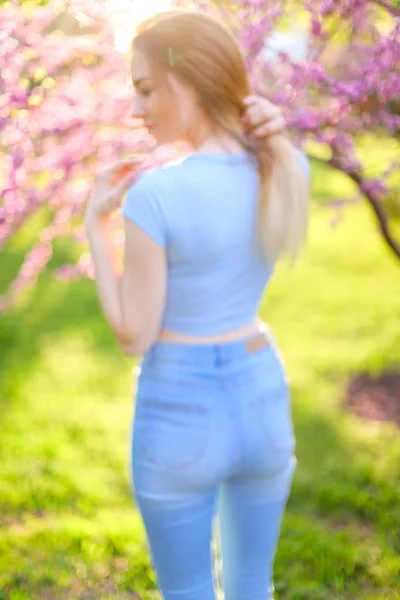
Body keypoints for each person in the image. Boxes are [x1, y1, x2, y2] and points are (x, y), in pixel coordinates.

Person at [85, 8, 310, 600]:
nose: (136, 109)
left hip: (179, 411)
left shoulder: (157, 193)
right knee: (250, 586)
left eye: (144, 89)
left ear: (185, 82)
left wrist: (93, 223)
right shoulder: (286, 165)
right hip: (262, 393)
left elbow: (134, 334)